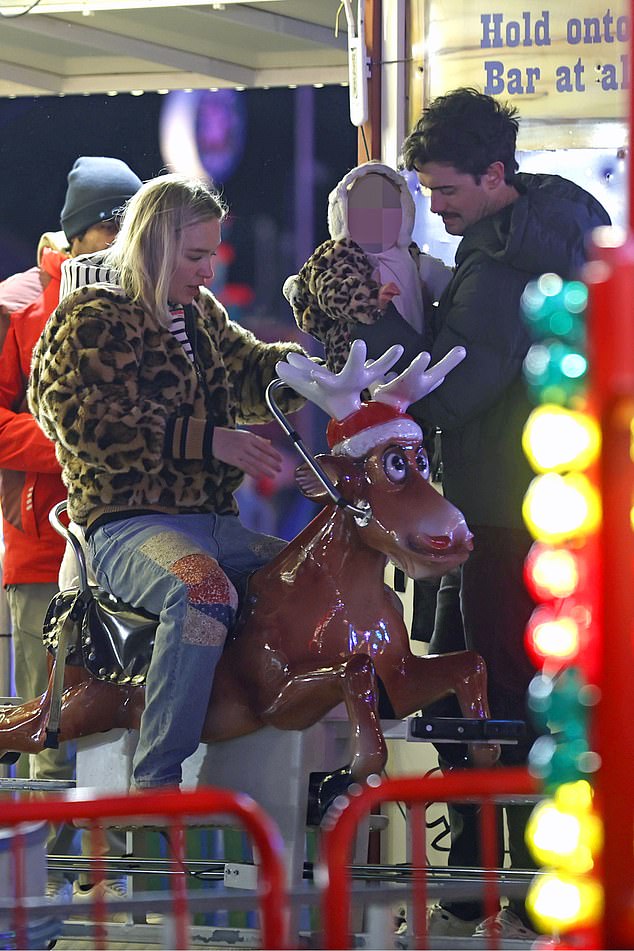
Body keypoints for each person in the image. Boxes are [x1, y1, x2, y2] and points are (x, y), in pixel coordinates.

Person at [399, 87, 611, 939]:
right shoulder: (568, 228)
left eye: (445, 191)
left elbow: (450, 396)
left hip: (489, 511)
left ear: (495, 176)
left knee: (484, 700)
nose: (436, 209)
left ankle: (488, 887)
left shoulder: (492, 269)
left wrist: (372, 319)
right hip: (559, 503)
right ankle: (535, 880)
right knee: (541, 702)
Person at [28, 173, 306, 794]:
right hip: (125, 523)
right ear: (152, 244)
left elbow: (246, 368)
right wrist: (206, 438)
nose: (209, 270)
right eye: (196, 255)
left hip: (212, 521)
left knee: (308, 573)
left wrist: (308, 369)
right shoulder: (92, 318)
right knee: (202, 593)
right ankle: (155, 781)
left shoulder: (199, 313)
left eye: (212, 254)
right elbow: (81, 419)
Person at [0, 155, 142, 908]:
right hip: (42, 550)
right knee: (48, 722)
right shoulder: (17, 305)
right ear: (76, 226)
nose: (118, 241)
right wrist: (68, 442)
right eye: (107, 226)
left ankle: (105, 880)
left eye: (129, 225)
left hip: (129, 547)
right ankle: (32, 889)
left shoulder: (155, 296)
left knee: (114, 721)